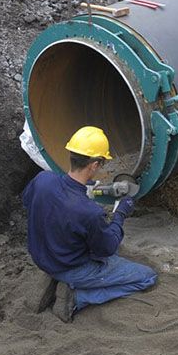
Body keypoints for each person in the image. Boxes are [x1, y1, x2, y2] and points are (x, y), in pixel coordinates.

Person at [23, 125, 157, 322]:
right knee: (147, 277)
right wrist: (120, 213)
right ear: (94, 165)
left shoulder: (43, 180)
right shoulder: (89, 213)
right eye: (102, 163)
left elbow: (30, 202)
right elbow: (108, 248)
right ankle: (77, 298)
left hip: (42, 256)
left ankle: (53, 280)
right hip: (70, 267)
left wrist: (82, 194)